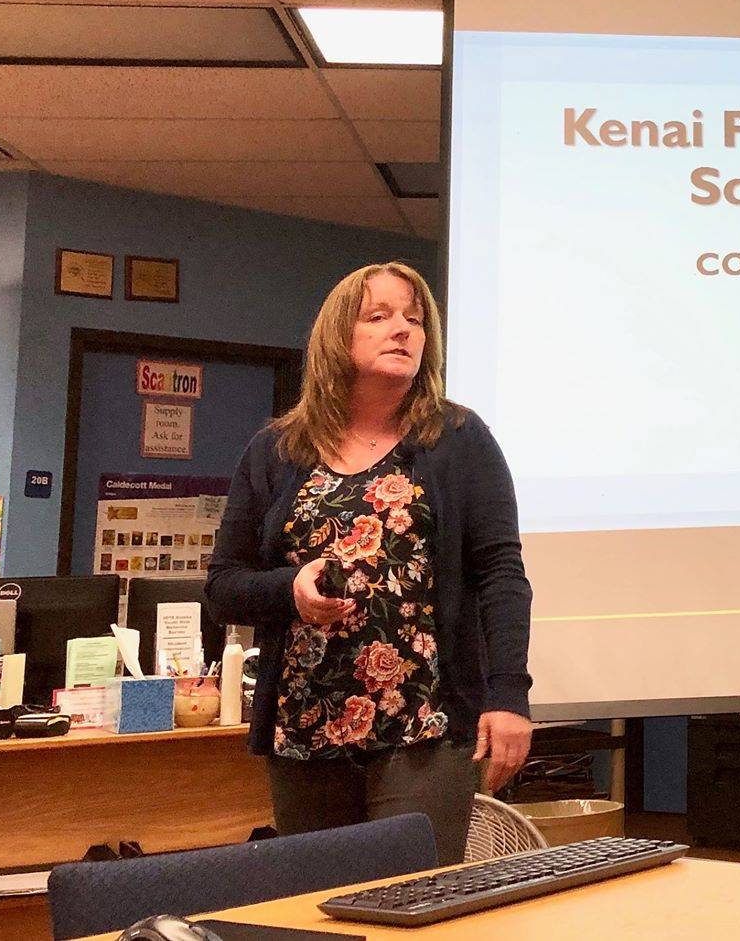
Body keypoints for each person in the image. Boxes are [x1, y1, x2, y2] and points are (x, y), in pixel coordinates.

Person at [206, 262, 533, 863]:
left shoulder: (460, 439)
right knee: (317, 909)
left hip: (425, 726)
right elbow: (224, 584)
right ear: (337, 336)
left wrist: (508, 694)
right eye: (378, 317)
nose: (403, 330)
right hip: (304, 726)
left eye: (414, 319)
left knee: (413, 900)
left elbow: (501, 577)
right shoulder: (276, 450)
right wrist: (291, 590)